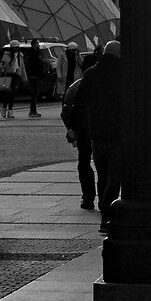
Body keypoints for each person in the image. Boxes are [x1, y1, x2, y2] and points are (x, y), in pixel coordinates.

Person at [66, 39, 123, 216]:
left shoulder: (91, 73)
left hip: (96, 130)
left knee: (101, 172)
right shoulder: (124, 73)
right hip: (118, 131)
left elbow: (78, 102)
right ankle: (107, 207)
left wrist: (72, 127)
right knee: (115, 174)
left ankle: (96, 200)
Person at [61, 50, 100, 209]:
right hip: (100, 130)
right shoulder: (104, 85)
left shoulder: (75, 86)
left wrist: (70, 128)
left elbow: (66, 110)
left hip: (83, 131)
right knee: (102, 165)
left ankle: (88, 197)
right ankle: (104, 198)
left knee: (84, 163)